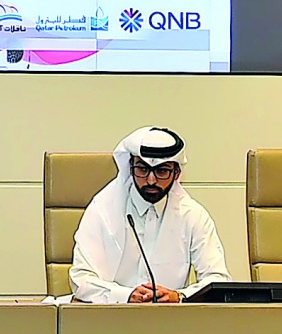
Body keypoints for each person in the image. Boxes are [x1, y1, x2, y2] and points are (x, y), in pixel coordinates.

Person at [69, 125, 230, 304]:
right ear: (131, 168)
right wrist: (125, 296)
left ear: (176, 173)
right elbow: (81, 278)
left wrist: (179, 297)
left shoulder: (193, 216)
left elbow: (218, 281)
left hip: (171, 324)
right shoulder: (102, 210)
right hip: (112, 320)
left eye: (161, 171)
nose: (151, 180)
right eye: (143, 169)